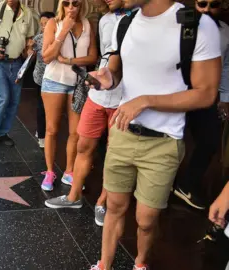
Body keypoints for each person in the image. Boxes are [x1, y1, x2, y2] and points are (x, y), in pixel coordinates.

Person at [87, 0, 221, 268]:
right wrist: (107, 79)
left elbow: (206, 93)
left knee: (146, 220)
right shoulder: (125, 23)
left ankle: (141, 263)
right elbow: (116, 72)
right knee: (113, 207)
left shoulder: (196, 25)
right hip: (123, 131)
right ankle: (103, 264)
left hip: (164, 142)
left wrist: (146, 100)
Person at [45, 0, 129, 227]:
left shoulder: (140, 20)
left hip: (124, 96)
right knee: (83, 145)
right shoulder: (105, 20)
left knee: (114, 151)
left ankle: (103, 201)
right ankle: (74, 196)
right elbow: (104, 56)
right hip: (97, 94)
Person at [173, 0, 229, 210]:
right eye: (202, 3)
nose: (206, 9)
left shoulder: (225, 32)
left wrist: (224, 98)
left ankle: (185, 184)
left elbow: (226, 67)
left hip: (207, 95)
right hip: (177, 91)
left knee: (210, 141)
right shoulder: (180, 26)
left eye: (212, 5)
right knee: (173, 139)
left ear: (221, 7)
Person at [38, 0, 98, 192]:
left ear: (82, 5)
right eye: (66, 3)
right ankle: (49, 171)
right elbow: (47, 57)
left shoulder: (88, 24)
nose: (71, 7)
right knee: (52, 129)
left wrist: (68, 60)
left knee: (75, 132)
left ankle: (69, 170)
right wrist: (63, 31)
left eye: (76, 3)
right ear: (61, 5)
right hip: (54, 81)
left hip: (78, 83)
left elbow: (92, 57)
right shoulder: (53, 24)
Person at [0, 0, 36, 147]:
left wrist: (29, 48)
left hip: (17, 63)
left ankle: (2, 133)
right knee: (2, 97)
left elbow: (29, 38)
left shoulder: (27, 13)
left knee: (13, 101)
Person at [27, 11, 56, 148]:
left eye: (47, 23)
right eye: (42, 24)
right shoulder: (38, 39)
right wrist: (30, 48)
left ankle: (49, 132)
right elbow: (29, 56)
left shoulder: (59, 38)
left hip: (55, 78)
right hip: (40, 77)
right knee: (41, 107)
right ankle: (41, 134)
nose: (44, 27)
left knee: (52, 109)